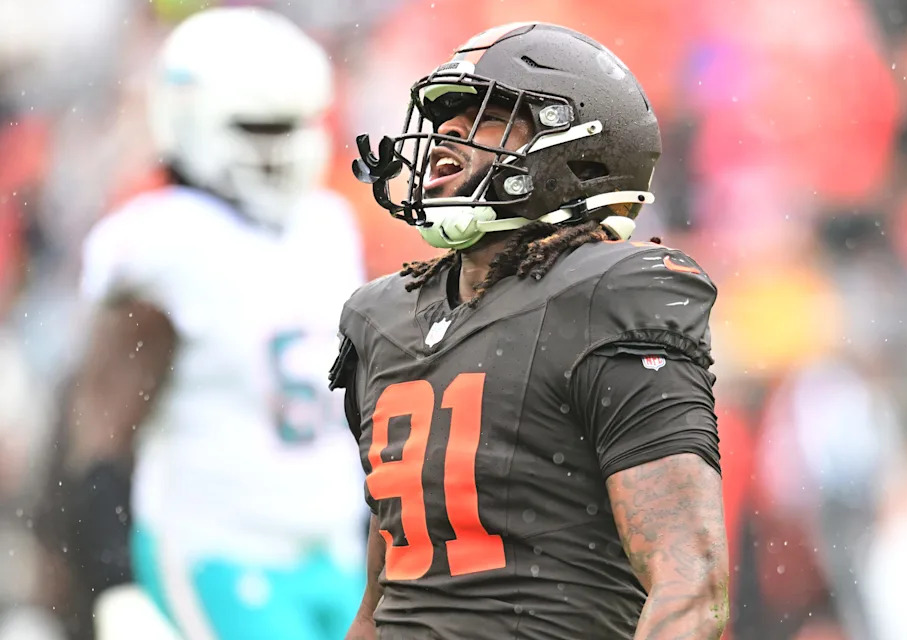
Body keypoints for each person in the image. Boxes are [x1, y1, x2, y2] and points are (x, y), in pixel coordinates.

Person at [331, 22, 729, 640]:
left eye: (486, 117)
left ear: (578, 150)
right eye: (445, 118)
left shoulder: (608, 294)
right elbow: (384, 601)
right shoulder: (382, 317)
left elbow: (691, 586)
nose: (448, 133)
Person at [63, 8, 367, 640]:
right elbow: (100, 429)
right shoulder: (162, 241)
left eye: (296, 124)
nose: (282, 146)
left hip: (334, 548)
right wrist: (111, 575)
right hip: (220, 553)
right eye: (259, 127)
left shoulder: (326, 224)